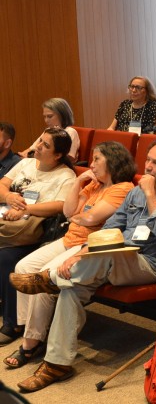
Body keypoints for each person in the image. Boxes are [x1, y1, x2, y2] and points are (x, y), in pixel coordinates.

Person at [10, 138, 156, 392]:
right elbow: (111, 227)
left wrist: (151, 195)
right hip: (115, 257)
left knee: (104, 255)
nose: (148, 167)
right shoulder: (134, 192)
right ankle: (57, 364)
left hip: (150, 263)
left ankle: (49, 279)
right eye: (147, 160)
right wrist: (83, 251)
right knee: (72, 288)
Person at [4, 142, 135, 366]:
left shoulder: (123, 188)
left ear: (113, 162)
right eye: (91, 160)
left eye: (97, 160)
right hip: (68, 238)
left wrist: (79, 216)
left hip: (86, 244)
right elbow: (68, 211)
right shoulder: (94, 185)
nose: (91, 165)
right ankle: (32, 329)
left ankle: (31, 342)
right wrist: (78, 182)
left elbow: (91, 219)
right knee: (23, 268)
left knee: (43, 277)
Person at [0, 128, 76, 346]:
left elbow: (62, 206)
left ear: (58, 155)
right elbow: (2, 184)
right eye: (39, 141)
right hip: (8, 220)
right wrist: (9, 195)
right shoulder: (26, 163)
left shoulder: (65, 176)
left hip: (36, 232)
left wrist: (26, 210)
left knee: (6, 258)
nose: (38, 147)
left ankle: (13, 322)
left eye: (45, 145)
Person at [19, 99, 80, 163]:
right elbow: (31, 149)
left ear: (62, 115)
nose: (46, 120)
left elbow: (68, 159)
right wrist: (21, 155)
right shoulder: (48, 130)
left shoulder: (70, 132)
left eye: (49, 116)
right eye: (45, 117)